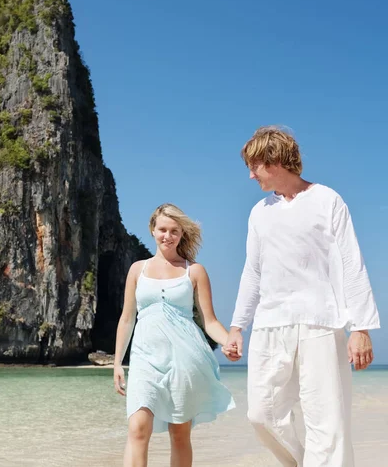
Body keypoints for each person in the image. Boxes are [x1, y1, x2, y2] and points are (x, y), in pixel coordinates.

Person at [224, 126, 380, 467]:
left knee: (328, 423)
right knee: (261, 414)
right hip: (270, 324)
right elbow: (252, 272)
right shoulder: (259, 213)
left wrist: (361, 327)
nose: (251, 176)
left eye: (255, 166)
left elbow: (353, 263)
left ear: (275, 160)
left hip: (321, 323)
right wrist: (237, 326)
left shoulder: (328, 200)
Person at [114, 203, 236, 467]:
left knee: (179, 434)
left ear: (181, 234)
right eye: (162, 230)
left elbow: (209, 321)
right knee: (137, 428)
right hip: (144, 359)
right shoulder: (138, 269)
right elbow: (127, 318)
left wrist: (229, 342)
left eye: (174, 231)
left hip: (185, 360)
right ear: (152, 230)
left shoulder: (194, 271)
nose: (167, 236)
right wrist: (117, 364)